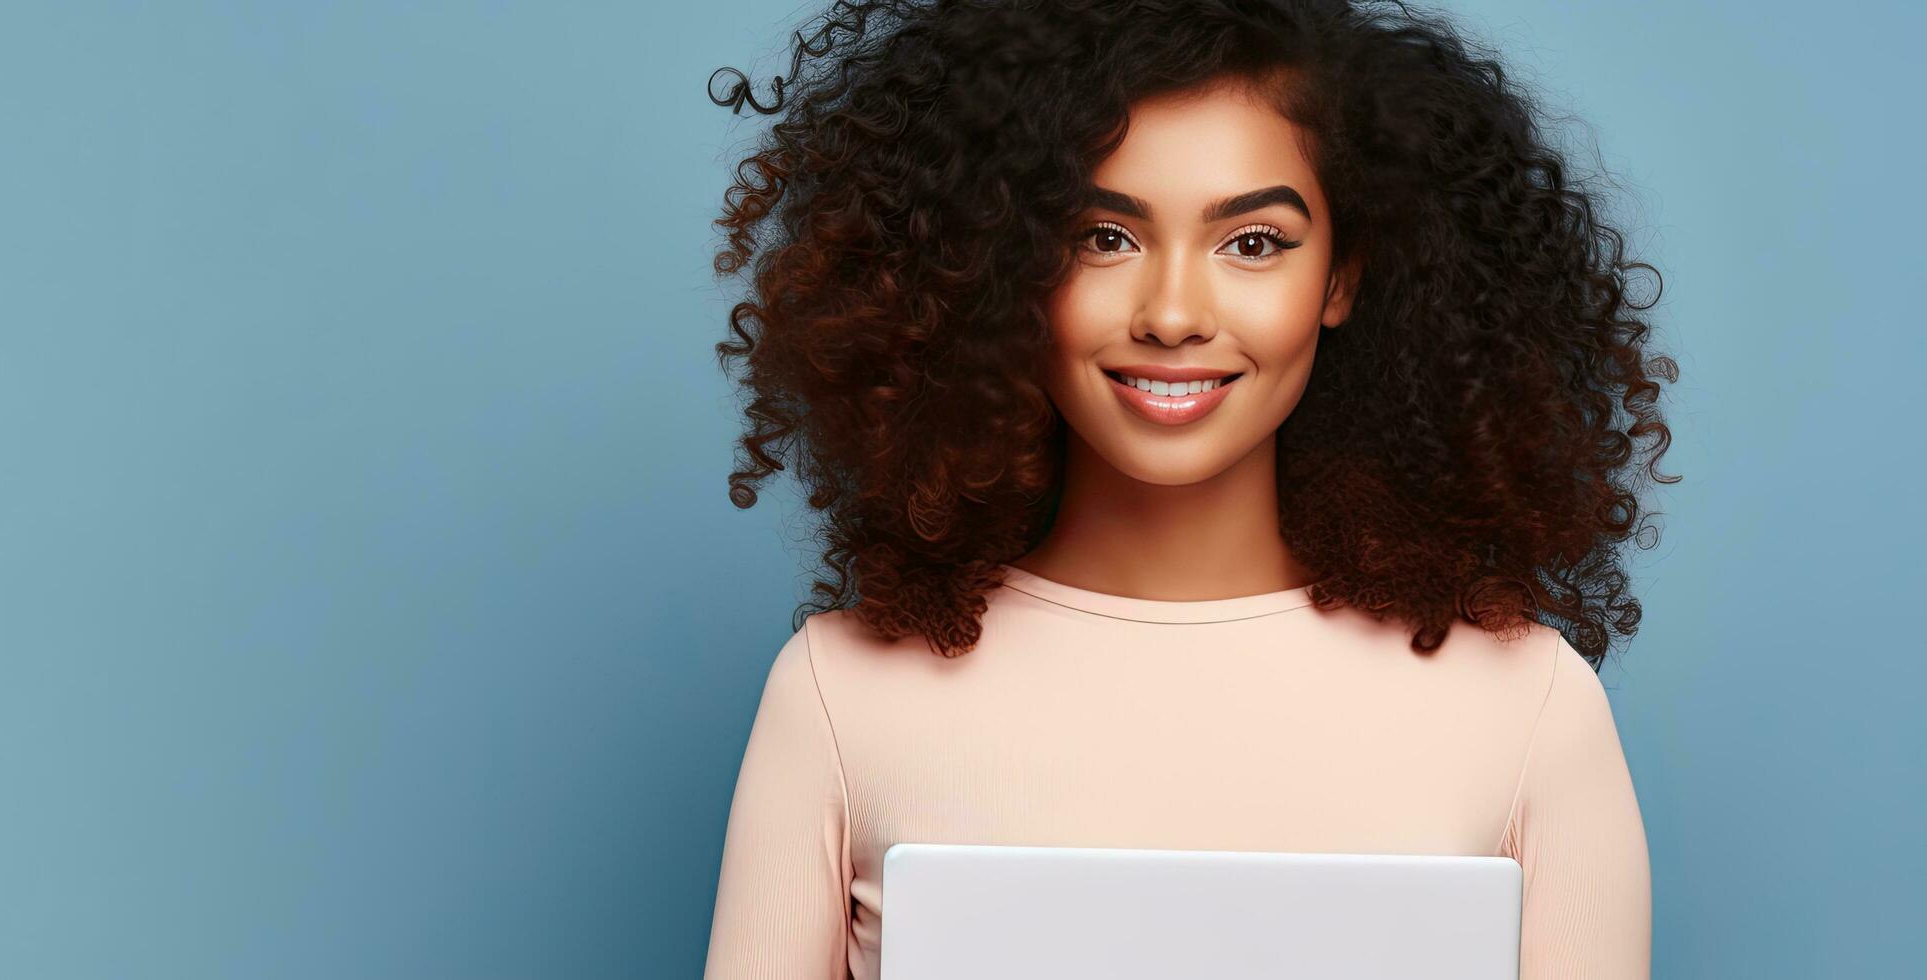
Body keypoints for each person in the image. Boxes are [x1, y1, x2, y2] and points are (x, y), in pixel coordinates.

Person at [699, 1, 1679, 977]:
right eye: (1101, 236)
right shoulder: (838, 696)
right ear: (998, 264)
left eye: (1252, 242)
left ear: (1340, 278)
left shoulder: (1527, 709)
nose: (1172, 313)